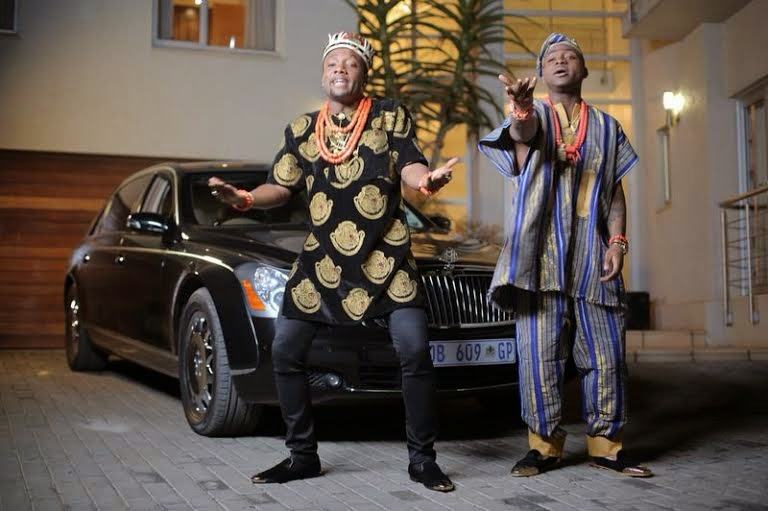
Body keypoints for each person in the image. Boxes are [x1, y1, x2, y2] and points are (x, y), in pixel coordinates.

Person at [209, 31, 457, 492]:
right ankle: (302, 456)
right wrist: (245, 198)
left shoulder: (388, 116)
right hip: (322, 262)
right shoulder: (303, 129)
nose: (340, 68)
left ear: (364, 74)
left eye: (351, 63)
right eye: (332, 63)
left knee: (415, 350)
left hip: (387, 257)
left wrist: (426, 180)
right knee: (285, 350)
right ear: (323, 74)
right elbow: (280, 186)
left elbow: (410, 164)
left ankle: (423, 460)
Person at [477, 33, 653, 478]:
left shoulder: (608, 127)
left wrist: (618, 242)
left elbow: (614, 191)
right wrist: (520, 107)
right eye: (551, 57)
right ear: (540, 72)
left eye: (569, 56)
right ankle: (543, 447)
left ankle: (607, 446)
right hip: (537, 257)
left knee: (606, 353)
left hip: (593, 255)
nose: (560, 61)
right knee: (539, 354)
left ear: (583, 70)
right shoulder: (532, 114)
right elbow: (522, 136)